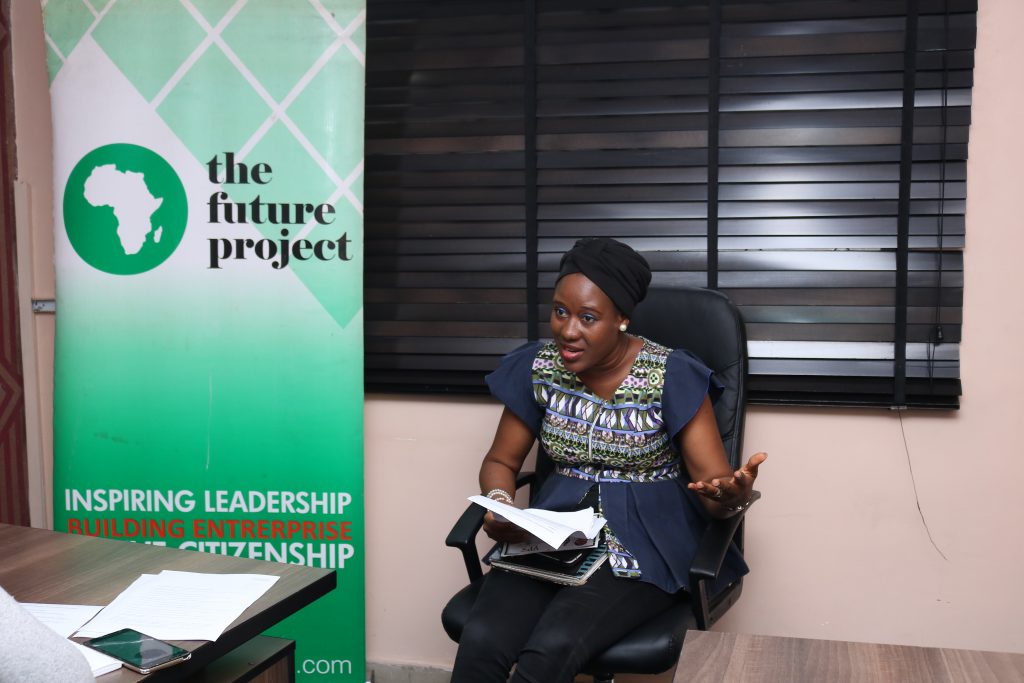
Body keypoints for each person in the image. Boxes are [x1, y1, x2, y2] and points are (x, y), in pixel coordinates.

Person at [451, 237, 767, 683]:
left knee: (551, 648)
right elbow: (500, 460)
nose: (568, 331)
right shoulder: (539, 367)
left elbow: (713, 490)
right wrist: (501, 503)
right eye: (560, 311)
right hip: (555, 534)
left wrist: (730, 496)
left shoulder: (671, 374)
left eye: (588, 317)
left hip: (646, 544)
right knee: (482, 639)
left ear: (621, 319)